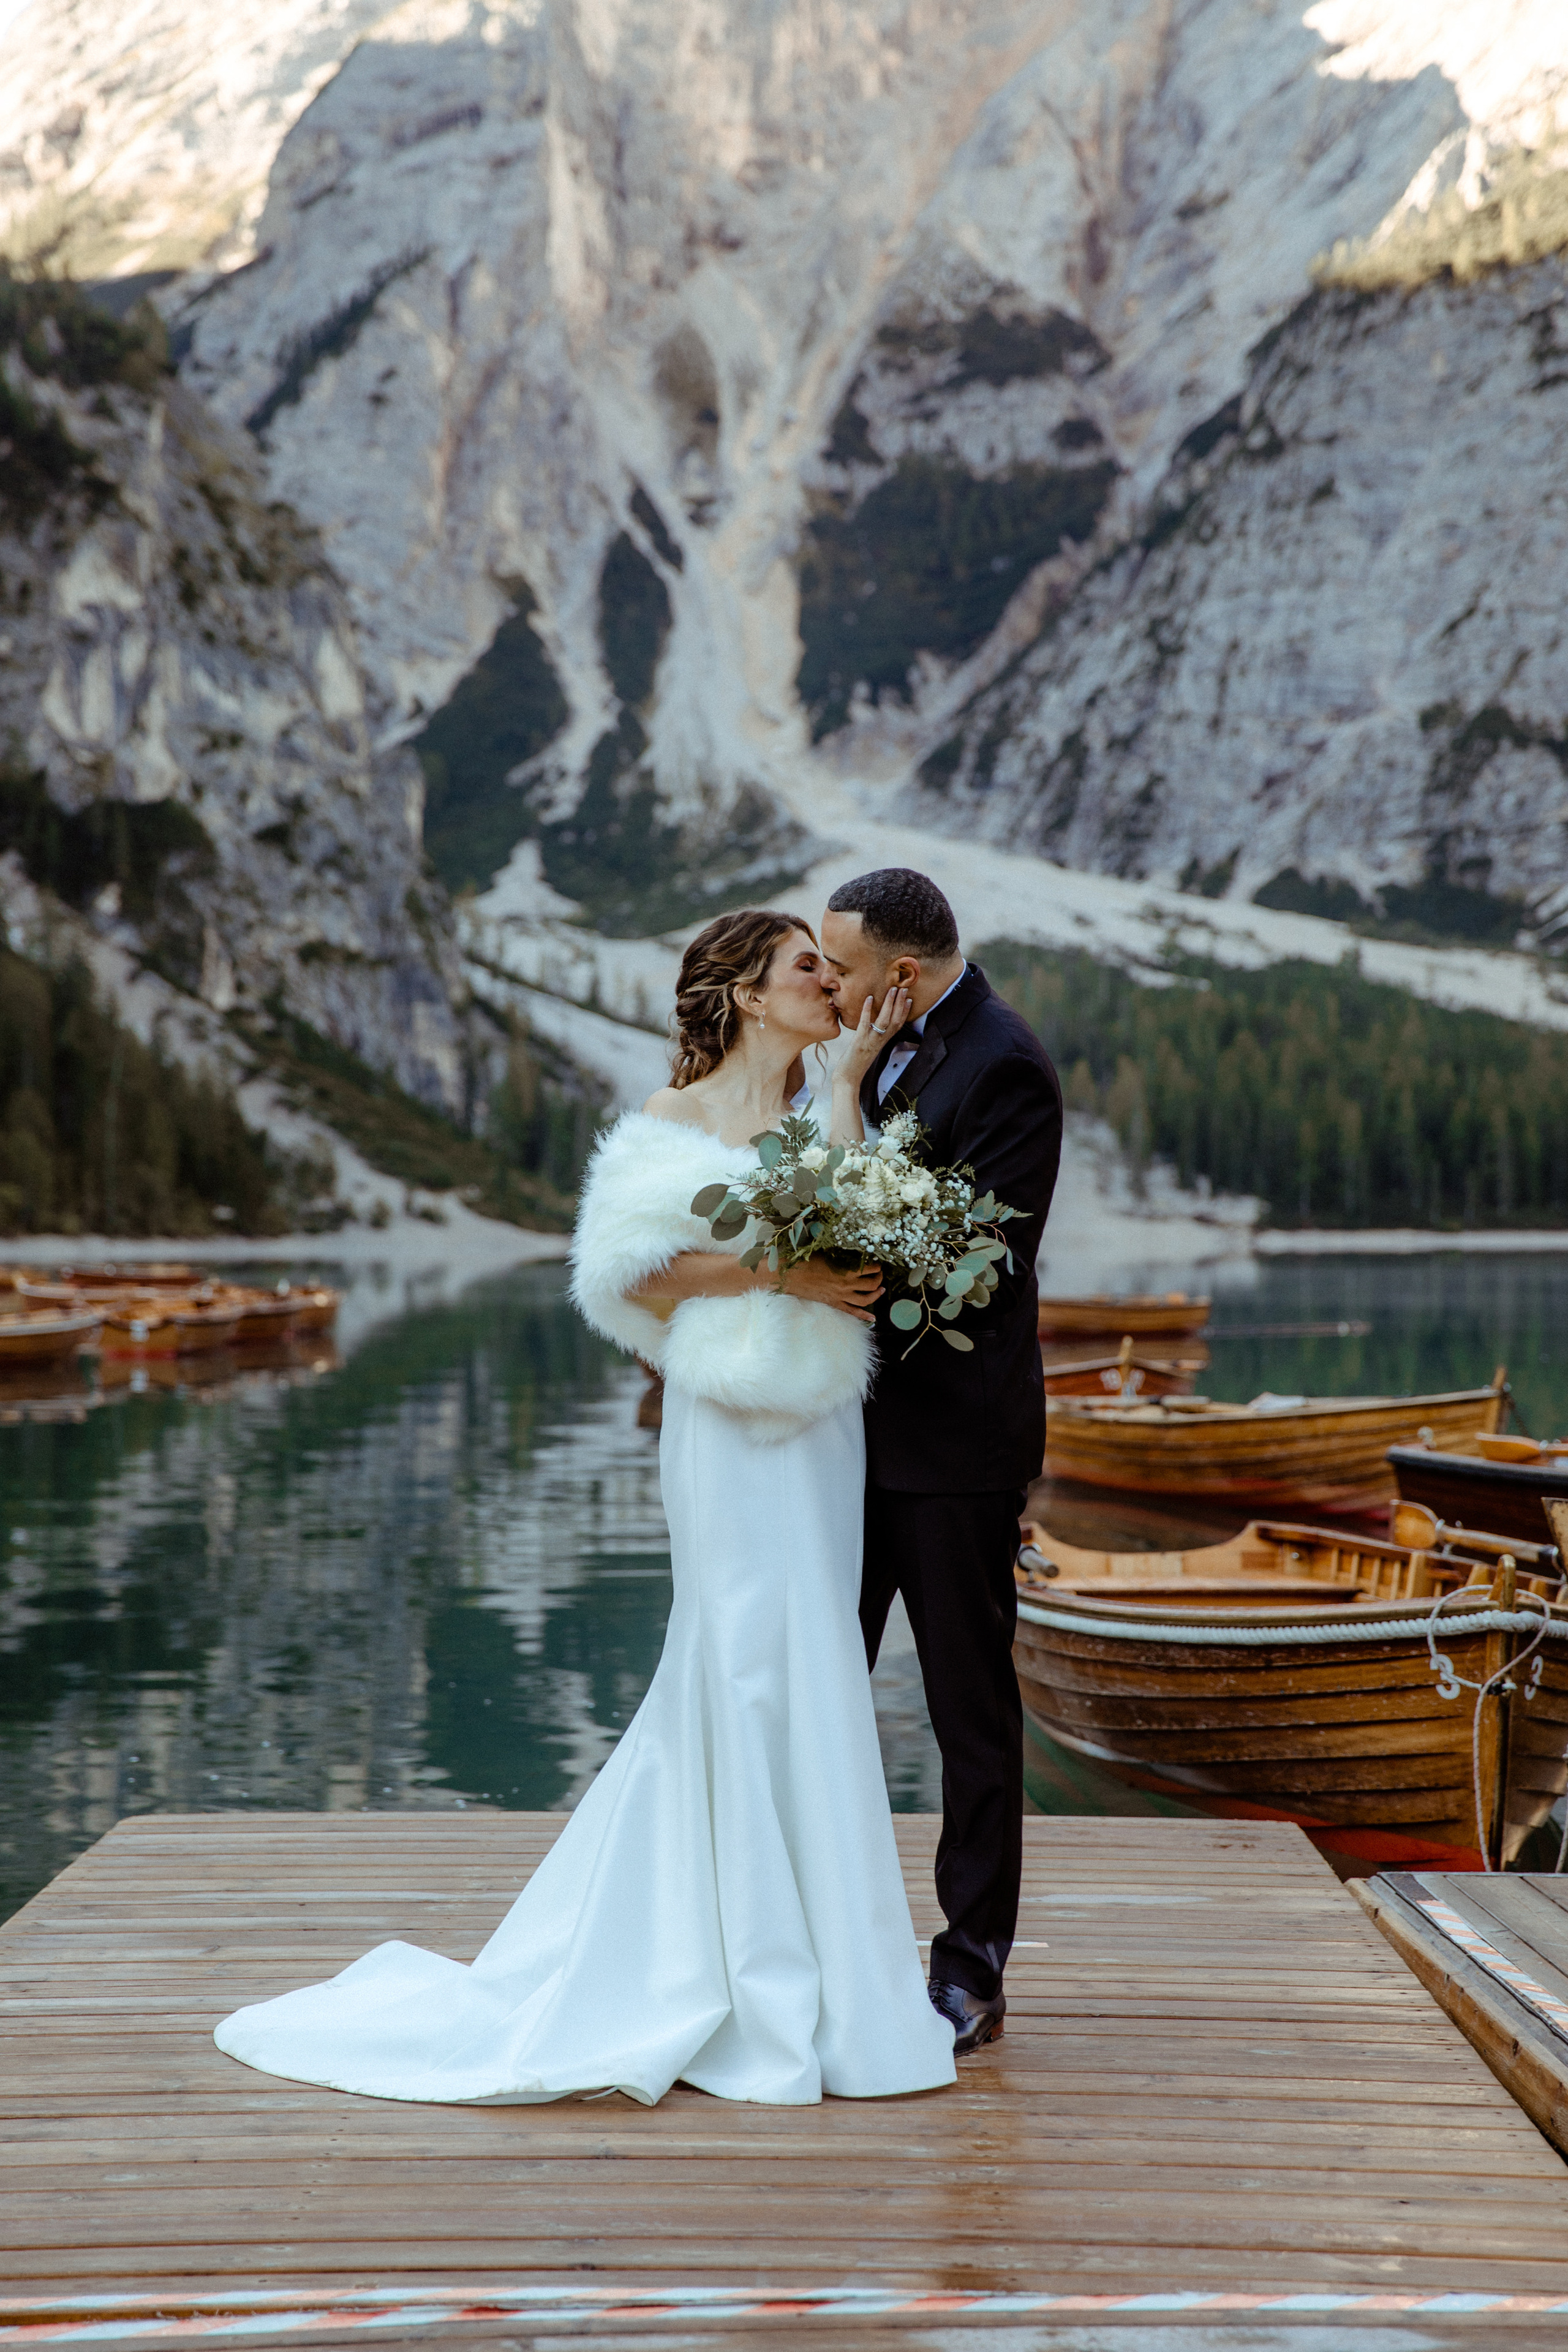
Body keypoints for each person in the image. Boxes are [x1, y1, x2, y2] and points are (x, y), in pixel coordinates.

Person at [211, 907, 956, 2108]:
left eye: (834, 969)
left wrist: (854, 1085)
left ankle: (826, 1971)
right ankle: (732, 1973)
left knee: (814, 1664)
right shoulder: (669, 1123)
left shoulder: (834, 1108)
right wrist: (781, 1265)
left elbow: (862, 1231)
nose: (834, 984)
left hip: (820, 1430)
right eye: (807, 969)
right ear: (747, 995)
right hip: (721, 1433)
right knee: (736, 1664)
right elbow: (633, 1273)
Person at [821, 869, 1062, 2054]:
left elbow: (971, 1263)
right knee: (822, 1694)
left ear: (901, 977)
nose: (834, 990)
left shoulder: (1004, 1061)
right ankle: (822, 1942)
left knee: (970, 1713)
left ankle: (971, 1967)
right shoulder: (889, 1049)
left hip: (958, 1445)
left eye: (848, 972)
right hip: (843, 1439)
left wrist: (852, 1117)